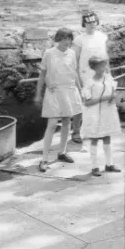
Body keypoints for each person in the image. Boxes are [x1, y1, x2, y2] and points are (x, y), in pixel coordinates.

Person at [34, 28, 83, 173]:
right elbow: (42, 75)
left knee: (67, 121)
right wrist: (38, 94)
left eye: (69, 39)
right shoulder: (49, 53)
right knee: (52, 124)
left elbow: (74, 73)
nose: (67, 42)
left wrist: (81, 90)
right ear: (58, 40)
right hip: (54, 92)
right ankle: (44, 159)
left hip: (70, 91)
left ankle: (61, 152)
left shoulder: (72, 53)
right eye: (64, 39)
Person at [71, 11, 109, 145]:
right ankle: (76, 131)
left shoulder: (102, 37)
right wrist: (78, 81)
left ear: (97, 22)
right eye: (88, 22)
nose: (91, 24)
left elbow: (105, 57)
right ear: (84, 24)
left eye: (93, 21)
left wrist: (109, 76)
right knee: (82, 104)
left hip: (99, 75)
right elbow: (74, 61)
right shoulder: (79, 40)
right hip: (84, 75)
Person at [81, 56, 122, 177]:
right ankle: (94, 166)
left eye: (104, 65)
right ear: (94, 68)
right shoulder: (90, 82)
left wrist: (113, 97)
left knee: (107, 137)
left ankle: (109, 164)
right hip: (94, 114)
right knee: (94, 138)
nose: (103, 68)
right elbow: (87, 102)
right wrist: (103, 98)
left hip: (107, 112)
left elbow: (113, 90)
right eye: (100, 66)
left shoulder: (108, 78)